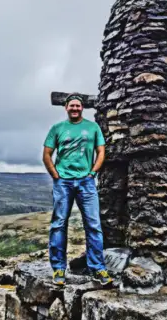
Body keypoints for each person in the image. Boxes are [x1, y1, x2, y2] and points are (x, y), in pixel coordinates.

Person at [43, 93, 113, 287]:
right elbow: (47, 154)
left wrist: (92, 173)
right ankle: (58, 268)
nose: (75, 108)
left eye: (78, 106)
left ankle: (98, 268)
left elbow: (101, 152)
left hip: (86, 182)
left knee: (93, 225)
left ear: (82, 108)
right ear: (66, 107)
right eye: (71, 106)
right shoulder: (57, 128)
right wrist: (56, 176)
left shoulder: (93, 127)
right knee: (59, 224)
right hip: (63, 182)